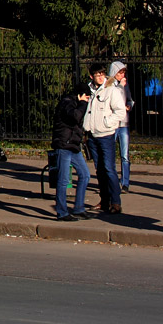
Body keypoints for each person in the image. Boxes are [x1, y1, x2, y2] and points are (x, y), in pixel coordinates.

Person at [82, 62, 127, 214]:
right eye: (97, 75)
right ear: (92, 76)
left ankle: (116, 202)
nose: (100, 78)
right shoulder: (90, 90)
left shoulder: (111, 90)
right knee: (99, 170)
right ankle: (104, 200)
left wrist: (108, 123)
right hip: (92, 135)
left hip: (106, 135)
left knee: (109, 169)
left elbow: (120, 112)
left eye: (102, 75)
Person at [50, 83, 91, 221]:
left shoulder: (74, 103)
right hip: (64, 144)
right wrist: (83, 104)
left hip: (73, 145)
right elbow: (76, 117)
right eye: (86, 97)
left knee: (85, 174)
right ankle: (62, 212)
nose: (87, 100)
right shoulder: (67, 103)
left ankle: (79, 207)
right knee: (63, 179)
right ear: (79, 95)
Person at [111, 61, 134, 193]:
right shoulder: (111, 85)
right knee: (111, 154)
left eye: (123, 72)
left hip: (124, 123)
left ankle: (125, 182)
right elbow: (114, 100)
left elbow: (129, 99)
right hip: (113, 124)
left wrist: (129, 106)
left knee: (125, 155)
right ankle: (112, 182)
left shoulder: (125, 85)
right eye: (120, 72)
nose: (122, 75)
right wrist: (120, 86)